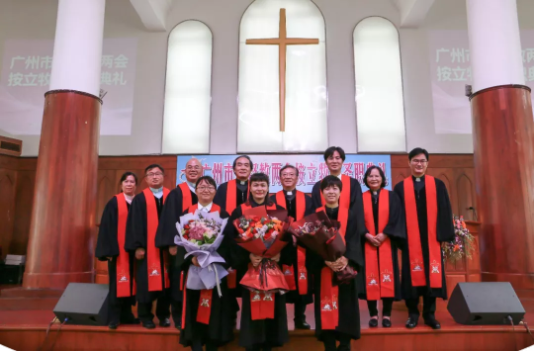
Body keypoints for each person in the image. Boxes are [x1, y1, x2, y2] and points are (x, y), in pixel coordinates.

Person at [224, 173, 289, 351]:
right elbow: (233, 239)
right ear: (250, 187)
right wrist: (249, 256)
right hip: (251, 267)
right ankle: (252, 345)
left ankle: (269, 343)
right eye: (256, 185)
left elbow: (287, 237)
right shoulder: (240, 211)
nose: (259, 189)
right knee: (252, 308)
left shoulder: (278, 210)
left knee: (272, 308)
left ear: (268, 188)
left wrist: (279, 254)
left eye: (263, 185)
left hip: (272, 266)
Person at [393, 148, 455, 330]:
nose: (419, 164)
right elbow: (396, 216)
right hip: (410, 242)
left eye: (422, 161)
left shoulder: (437, 185)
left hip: (431, 241)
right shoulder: (400, 188)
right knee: (411, 278)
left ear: (427, 163)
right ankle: (412, 314)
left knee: (432, 277)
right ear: (409, 163)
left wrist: (443, 235)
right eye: (415, 161)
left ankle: (429, 314)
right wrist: (400, 239)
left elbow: (445, 211)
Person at [175, 176, 235, 351]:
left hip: (214, 269)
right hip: (194, 269)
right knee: (193, 306)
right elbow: (180, 241)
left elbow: (229, 242)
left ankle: (212, 343)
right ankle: (195, 342)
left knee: (215, 308)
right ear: (196, 190)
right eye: (201, 186)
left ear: (215, 191)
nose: (205, 189)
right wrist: (191, 258)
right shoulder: (187, 213)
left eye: (210, 187)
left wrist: (213, 257)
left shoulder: (223, 214)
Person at [310, 176, 364, 351]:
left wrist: (346, 259)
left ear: (340, 192)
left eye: (335, 188)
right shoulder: (316, 216)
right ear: (322, 192)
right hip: (323, 268)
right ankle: (329, 342)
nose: (331, 192)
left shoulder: (350, 214)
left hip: (344, 269)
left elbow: (355, 240)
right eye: (327, 188)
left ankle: (345, 342)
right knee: (326, 302)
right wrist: (324, 259)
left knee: (346, 305)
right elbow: (310, 243)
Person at [155, 158, 202, 329]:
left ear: (202, 171)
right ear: (184, 171)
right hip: (181, 247)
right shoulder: (177, 193)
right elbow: (169, 219)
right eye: (189, 167)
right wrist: (172, 244)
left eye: (196, 167)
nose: (193, 170)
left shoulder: (206, 192)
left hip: (203, 249)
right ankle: (178, 316)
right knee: (178, 282)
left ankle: (198, 315)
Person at [125, 164, 171, 329]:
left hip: (167, 251)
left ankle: (164, 315)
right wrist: (138, 246)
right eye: (150, 174)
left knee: (167, 285)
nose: (154, 176)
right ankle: (145, 316)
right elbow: (134, 224)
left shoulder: (170, 196)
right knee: (146, 283)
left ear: (163, 176)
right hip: (147, 250)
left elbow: (175, 222)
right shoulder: (140, 198)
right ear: (145, 179)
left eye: (158, 173)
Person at [359, 166, 405, 328]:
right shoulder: (360, 198)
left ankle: (386, 315)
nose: (373, 179)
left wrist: (384, 234)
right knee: (370, 278)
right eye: (370, 176)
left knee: (387, 278)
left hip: (387, 242)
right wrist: (367, 235)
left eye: (377, 176)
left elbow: (396, 217)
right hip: (367, 243)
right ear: (366, 179)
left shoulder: (392, 197)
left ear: (382, 178)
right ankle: (373, 314)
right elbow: (356, 220)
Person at [270, 164, 314, 330]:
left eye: (291, 175)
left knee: (301, 282)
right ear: (279, 178)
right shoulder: (272, 200)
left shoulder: (307, 199)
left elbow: (311, 222)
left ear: (297, 178)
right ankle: (280, 320)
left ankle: (300, 317)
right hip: (279, 249)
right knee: (280, 282)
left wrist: (299, 236)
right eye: (284, 175)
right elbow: (269, 224)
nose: (288, 177)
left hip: (302, 247)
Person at [95, 172, 139, 329]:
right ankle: (114, 317)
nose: (129, 184)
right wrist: (110, 252)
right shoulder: (114, 203)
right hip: (118, 252)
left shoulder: (139, 202)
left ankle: (127, 314)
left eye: (132, 181)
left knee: (133, 283)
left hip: (135, 252)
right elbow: (106, 228)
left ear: (136, 185)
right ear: (121, 184)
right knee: (117, 283)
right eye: (126, 181)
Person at [311, 147, 366, 239]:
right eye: (331, 158)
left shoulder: (353, 184)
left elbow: (357, 209)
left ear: (342, 161)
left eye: (337, 158)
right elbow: (316, 211)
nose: (334, 161)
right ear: (326, 162)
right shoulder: (318, 186)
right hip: (323, 236)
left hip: (349, 233)